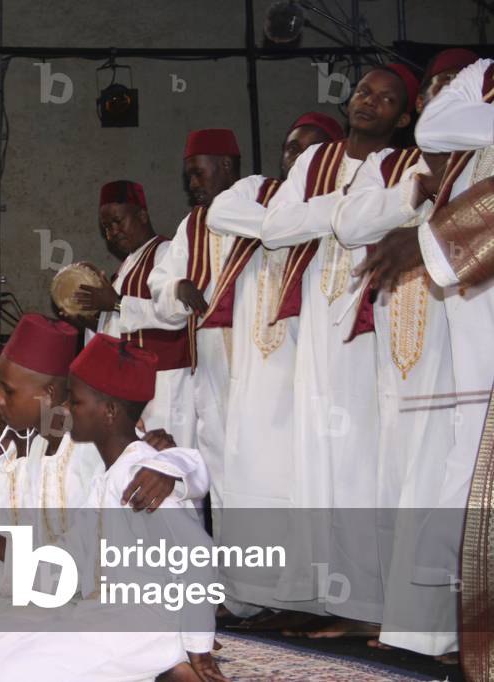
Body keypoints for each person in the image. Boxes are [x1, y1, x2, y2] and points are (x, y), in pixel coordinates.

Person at [0, 334, 220, 682]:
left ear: (108, 412)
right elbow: (61, 567)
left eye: (74, 402)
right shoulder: (105, 482)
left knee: (2, 672)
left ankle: (170, 665)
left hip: (141, 628)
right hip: (98, 615)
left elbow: (198, 554)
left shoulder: (143, 478)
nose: (66, 410)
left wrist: (199, 647)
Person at [258, 64, 415, 637]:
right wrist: (345, 207)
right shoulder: (316, 160)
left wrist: (331, 214)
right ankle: (315, 592)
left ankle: (363, 604)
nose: (369, 101)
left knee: (357, 462)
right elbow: (274, 229)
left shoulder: (406, 165)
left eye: (386, 98)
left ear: (404, 116)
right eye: (364, 91)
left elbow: (395, 218)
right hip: (315, 324)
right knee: (312, 460)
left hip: (371, 323)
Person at [332, 48, 478, 659]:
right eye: (438, 85)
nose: (446, 95)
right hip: (396, 353)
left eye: (459, 87)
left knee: (443, 483)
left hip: (454, 351)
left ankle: (434, 631)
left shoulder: (477, 161)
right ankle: (408, 625)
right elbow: (348, 224)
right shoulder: (396, 166)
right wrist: (414, 193)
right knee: (398, 484)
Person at [204, 112, 343, 622]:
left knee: (296, 483)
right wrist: (290, 221)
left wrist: (300, 218)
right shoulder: (257, 191)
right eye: (291, 148)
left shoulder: (340, 200)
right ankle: (246, 593)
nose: (297, 157)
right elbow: (220, 212)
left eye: (311, 149)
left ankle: (296, 599)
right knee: (246, 479)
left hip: (302, 372)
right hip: (251, 371)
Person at [147, 128, 243, 528]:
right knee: (218, 471)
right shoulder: (193, 226)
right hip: (211, 372)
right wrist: (178, 288)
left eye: (197, 173)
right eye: (188, 176)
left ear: (226, 165)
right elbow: (158, 283)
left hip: (264, 367)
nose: (192, 185)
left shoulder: (265, 208)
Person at [71, 180, 196, 448]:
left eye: (117, 221)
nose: (112, 232)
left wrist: (116, 304)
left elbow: (177, 312)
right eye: (106, 227)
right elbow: (119, 325)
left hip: (165, 384)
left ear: (142, 215)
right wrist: (89, 321)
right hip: (132, 386)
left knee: (166, 459)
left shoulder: (166, 253)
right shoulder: (126, 266)